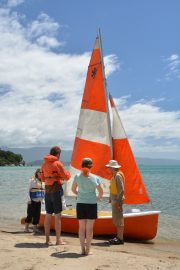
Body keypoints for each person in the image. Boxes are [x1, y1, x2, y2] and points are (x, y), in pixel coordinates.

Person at [71, 158, 103, 255]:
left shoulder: (77, 176)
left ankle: (82, 250)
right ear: (91, 166)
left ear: (82, 165)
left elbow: (73, 190)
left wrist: (79, 195)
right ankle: (88, 250)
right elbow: (101, 192)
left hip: (80, 204)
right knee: (89, 228)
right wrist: (97, 198)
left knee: (81, 228)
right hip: (92, 204)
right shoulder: (95, 178)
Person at [41, 146, 70, 245]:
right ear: (58, 154)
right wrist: (67, 174)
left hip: (47, 190)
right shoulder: (58, 163)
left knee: (48, 215)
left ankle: (47, 240)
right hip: (56, 190)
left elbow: (42, 178)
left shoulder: (44, 164)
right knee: (58, 216)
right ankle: (58, 240)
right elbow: (66, 177)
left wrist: (50, 178)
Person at [106, 160, 125, 245]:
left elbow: (121, 190)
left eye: (109, 167)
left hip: (117, 200)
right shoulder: (114, 175)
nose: (108, 169)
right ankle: (118, 237)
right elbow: (113, 188)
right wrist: (110, 197)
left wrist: (118, 202)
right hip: (115, 199)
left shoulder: (117, 176)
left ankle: (120, 238)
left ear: (113, 168)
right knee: (116, 219)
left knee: (119, 219)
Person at [24, 168, 45, 233]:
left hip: (38, 200)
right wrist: (28, 199)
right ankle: (26, 228)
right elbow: (27, 190)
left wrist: (43, 200)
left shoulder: (43, 181)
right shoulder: (32, 180)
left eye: (42, 173)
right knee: (30, 214)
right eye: (40, 172)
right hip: (32, 200)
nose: (41, 174)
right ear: (36, 173)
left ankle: (35, 229)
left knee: (37, 215)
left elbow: (43, 191)